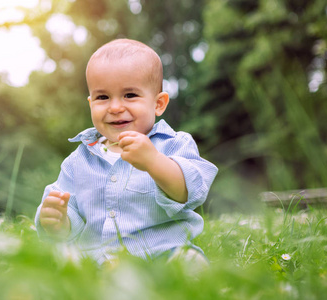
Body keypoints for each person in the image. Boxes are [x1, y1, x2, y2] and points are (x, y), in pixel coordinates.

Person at [34, 39, 218, 266]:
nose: (115, 107)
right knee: (58, 262)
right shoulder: (78, 160)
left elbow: (189, 193)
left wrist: (153, 161)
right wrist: (58, 219)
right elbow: (68, 207)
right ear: (91, 103)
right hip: (96, 260)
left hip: (161, 254)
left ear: (158, 104)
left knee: (189, 262)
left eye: (130, 95)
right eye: (103, 97)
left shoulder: (173, 144)